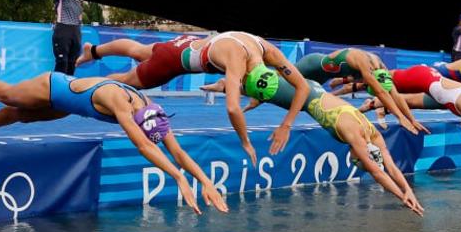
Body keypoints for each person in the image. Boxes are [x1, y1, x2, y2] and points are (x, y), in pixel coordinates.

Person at [0, 73, 228, 215]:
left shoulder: (152, 109)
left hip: (67, 105)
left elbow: (175, 150)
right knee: (11, 96)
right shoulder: (120, 103)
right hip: (52, 86)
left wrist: (205, 181)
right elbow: (144, 148)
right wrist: (178, 177)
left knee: (22, 117)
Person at [204, 77, 425, 215]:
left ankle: (236, 88)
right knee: (261, 86)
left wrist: (408, 191)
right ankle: (224, 84)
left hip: (315, 90)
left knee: (264, 89)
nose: (354, 158)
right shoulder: (356, 137)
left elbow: (390, 167)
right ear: (361, 155)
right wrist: (401, 195)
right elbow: (378, 171)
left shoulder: (373, 135)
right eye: (358, 161)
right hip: (305, 95)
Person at [79, 31, 312, 160]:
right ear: (247, 77)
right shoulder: (237, 63)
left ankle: (94, 51)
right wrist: (245, 142)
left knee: (139, 50)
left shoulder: (266, 50)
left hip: (184, 43)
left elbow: (303, 87)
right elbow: (232, 108)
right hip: (171, 63)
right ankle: (80, 86)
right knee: (126, 83)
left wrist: (287, 125)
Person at [295, 47, 424, 134]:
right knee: (281, 77)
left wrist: (412, 120)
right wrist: (400, 117)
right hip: (312, 65)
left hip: (323, 76)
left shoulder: (381, 69)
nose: (368, 85)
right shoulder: (363, 61)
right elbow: (381, 92)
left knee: (301, 99)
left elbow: (395, 95)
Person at [51, 0, 91, 75]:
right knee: (62, 62)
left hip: (75, 31)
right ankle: (57, 89)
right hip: (63, 29)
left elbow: (79, 15)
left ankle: (68, 88)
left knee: (72, 63)